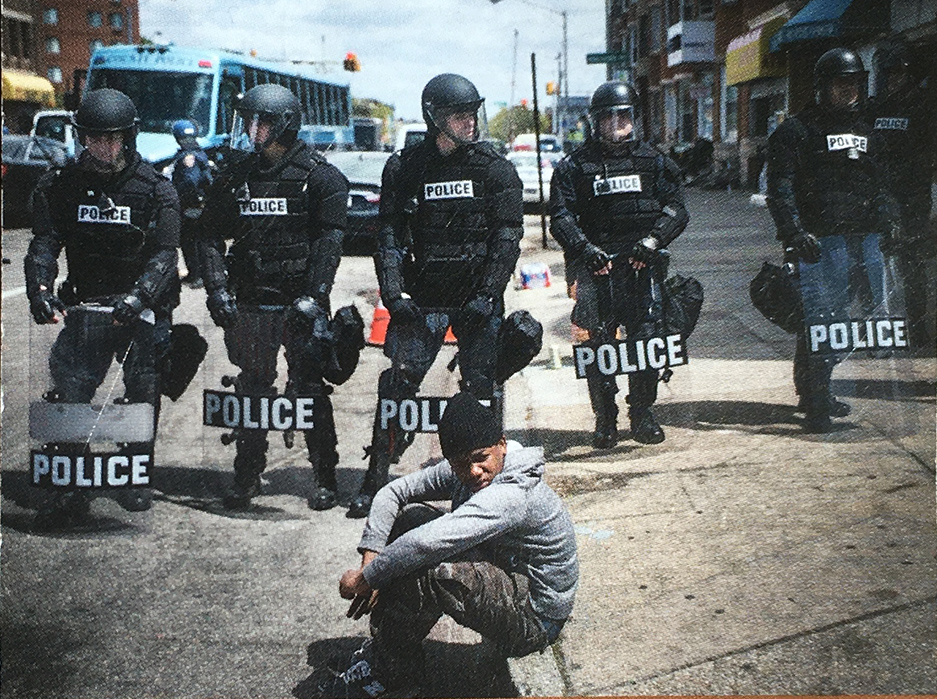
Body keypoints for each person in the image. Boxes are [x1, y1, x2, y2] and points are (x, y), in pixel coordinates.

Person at [325, 391, 578, 698]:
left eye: (480, 459)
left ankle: (390, 674)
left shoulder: (514, 492)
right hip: (509, 583)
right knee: (411, 519)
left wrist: (366, 579)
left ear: (501, 444)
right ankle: (389, 660)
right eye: (460, 464)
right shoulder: (466, 466)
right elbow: (392, 492)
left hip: (535, 618)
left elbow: (425, 544)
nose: (473, 471)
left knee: (434, 569)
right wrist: (371, 560)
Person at [350, 73, 524, 518]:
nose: (471, 123)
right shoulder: (405, 167)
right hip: (422, 300)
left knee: (483, 392)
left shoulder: (495, 168)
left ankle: (489, 485)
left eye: (472, 114)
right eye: (460, 116)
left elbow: (507, 237)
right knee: (397, 386)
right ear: (436, 119)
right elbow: (387, 234)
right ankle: (376, 479)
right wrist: (393, 294)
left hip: (475, 303)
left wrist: (488, 294)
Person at [24, 88, 181, 527]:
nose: (104, 148)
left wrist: (141, 296)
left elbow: (166, 254)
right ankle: (72, 478)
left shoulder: (156, 188)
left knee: (142, 392)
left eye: (113, 139)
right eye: (95, 138)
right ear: (82, 138)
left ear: (128, 137)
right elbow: (44, 242)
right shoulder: (60, 183)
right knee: (71, 389)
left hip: (141, 308)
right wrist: (39, 288)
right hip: (87, 305)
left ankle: (135, 474)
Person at [198, 83, 349, 511]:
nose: (251, 129)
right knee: (252, 389)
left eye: (260, 121)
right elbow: (208, 233)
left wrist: (315, 297)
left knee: (307, 387)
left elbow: (329, 242)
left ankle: (324, 476)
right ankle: (247, 475)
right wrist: (217, 289)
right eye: (248, 120)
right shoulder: (236, 176)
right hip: (250, 301)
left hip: (298, 304)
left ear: (283, 124)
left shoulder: (319, 176)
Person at [767, 48, 903, 432]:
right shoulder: (797, 131)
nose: (848, 90)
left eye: (854, 83)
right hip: (818, 245)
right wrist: (793, 232)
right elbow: (781, 189)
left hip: (862, 243)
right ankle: (816, 400)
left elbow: (882, 186)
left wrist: (890, 221)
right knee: (822, 322)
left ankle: (816, 389)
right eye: (840, 83)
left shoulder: (867, 131)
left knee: (845, 324)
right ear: (822, 86)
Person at [549, 81, 689, 448]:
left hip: (642, 269)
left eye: (623, 115)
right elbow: (561, 217)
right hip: (597, 272)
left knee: (646, 342)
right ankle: (605, 418)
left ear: (634, 118)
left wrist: (654, 240)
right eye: (609, 116)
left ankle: (642, 413)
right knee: (598, 347)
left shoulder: (655, 161)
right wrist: (583, 249)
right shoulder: (574, 166)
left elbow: (677, 209)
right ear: (595, 121)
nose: (617, 123)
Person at [867, 40, 936, 352]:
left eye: (899, 73)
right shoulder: (878, 107)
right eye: (889, 74)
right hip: (880, 195)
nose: (893, 79)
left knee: (911, 265)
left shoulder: (924, 108)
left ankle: (918, 330)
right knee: (878, 264)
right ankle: (886, 327)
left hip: (913, 197)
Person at [170, 119, 213, 288]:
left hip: (191, 206)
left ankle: (196, 276)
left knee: (190, 241)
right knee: (198, 240)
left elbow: (190, 182)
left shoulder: (188, 157)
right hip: (199, 205)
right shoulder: (200, 153)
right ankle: (199, 274)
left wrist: (182, 198)